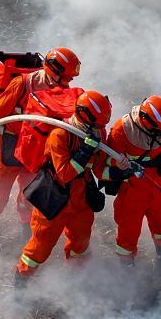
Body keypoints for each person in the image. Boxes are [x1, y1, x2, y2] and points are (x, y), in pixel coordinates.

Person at [0, 47, 81, 249]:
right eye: (67, 75)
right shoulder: (22, 84)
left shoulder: (64, 91)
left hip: (36, 152)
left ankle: (27, 236)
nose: (71, 80)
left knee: (30, 194)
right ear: (54, 70)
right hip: (9, 146)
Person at [14, 90, 115, 281]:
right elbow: (65, 174)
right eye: (96, 125)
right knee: (40, 247)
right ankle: (21, 281)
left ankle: (78, 280)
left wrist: (118, 172)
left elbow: (99, 169)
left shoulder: (97, 131)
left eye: (101, 126)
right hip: (54, 198)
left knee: (81, 243)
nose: (99, 130)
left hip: (81, 199)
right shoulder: (60, 135)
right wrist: (85, 151)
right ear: (85, 117)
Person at [99, 96, 161, 267]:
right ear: (145, 121)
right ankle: (127, 268)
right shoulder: (123, 129)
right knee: (128, 229)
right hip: (132, 190)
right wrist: (118, 165)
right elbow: (105, 163)